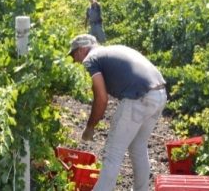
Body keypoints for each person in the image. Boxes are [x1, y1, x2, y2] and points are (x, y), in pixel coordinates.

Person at [68, 34, 167, 191]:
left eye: (74, 56)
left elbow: (101, 98)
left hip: (139, 98)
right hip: (159, 94)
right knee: (138, 146)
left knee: (112, 154)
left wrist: (90, 127)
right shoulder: (112, 50)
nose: (75, 61)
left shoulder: (90, 59)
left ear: (81, 50)